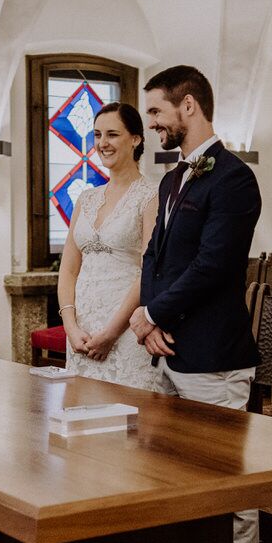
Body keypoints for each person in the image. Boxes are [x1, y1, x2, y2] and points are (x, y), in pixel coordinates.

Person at [130, 65, 263, 543]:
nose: (152, 122)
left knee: (227, 483)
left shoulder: (234, 179)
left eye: (157, 112)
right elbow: (155, 257)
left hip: (213, 357)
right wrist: (148, 318)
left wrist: (152, 312)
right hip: (167, 351)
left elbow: (214, 265)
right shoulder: (170, 180)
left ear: (189, 106)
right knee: (170, 476)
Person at [57, 102, 163, 391]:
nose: (103, 143)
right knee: (82, 427)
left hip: (126, 330)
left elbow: (148, 270)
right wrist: (71, 326)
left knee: (127, 425)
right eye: (97, 135)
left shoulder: (151, 196)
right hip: (82, 332)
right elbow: (68, 270)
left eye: (112, 134)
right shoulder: (86, 199)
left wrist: (112, 333)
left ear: (136, 139)